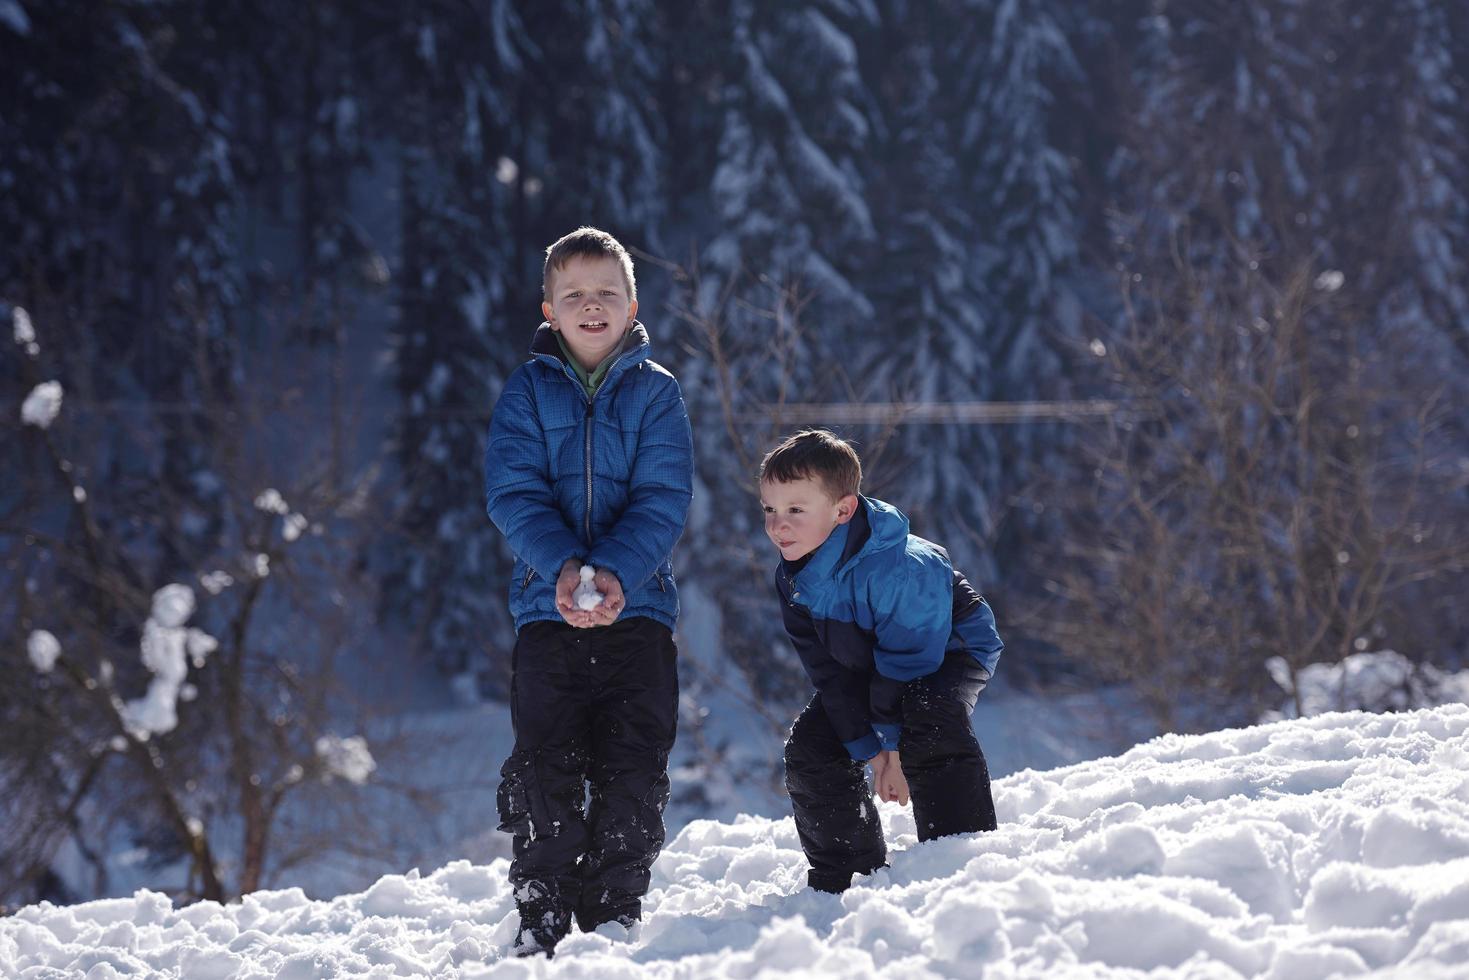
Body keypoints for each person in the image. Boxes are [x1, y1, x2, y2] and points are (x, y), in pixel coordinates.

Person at [484, 226, 693, 956]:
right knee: (545, 766)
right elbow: (513, 493)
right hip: (547, 614)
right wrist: (567, 570)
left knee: (633, 765)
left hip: (638, 614)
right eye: (574, 294)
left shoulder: (657, 391)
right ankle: (541, 908)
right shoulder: (526, 389)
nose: (591, 305)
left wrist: (612, 575)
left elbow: (662, 498)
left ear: (632, 304)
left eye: (606, 292)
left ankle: (613, 910)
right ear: (549, 309)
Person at [758, 429, 1003, 894]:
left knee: (928, 718)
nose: (777, 525)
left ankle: (961, 858)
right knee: (812, 747)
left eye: (795, 510)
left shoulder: (895, 569)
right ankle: (848, 872)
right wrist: (867, 749)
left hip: (948, 649)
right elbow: (828, 674)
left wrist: (892, 754)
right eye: (769, 509)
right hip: (868, 662)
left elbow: (910, 663)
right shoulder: (794, 579)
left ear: (843, 510)